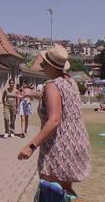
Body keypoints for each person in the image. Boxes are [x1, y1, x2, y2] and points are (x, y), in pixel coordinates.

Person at [17, 44, 90, 193]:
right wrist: (31, 94)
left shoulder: (51, 85)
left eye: (44, 63)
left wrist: (31, 146)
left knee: (51, 191)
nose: (42, 66)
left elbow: (54, 119)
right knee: (65, 191)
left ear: (52, 66)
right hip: (75, 142)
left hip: (58, 145)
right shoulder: (70, 82)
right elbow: (56, 98)